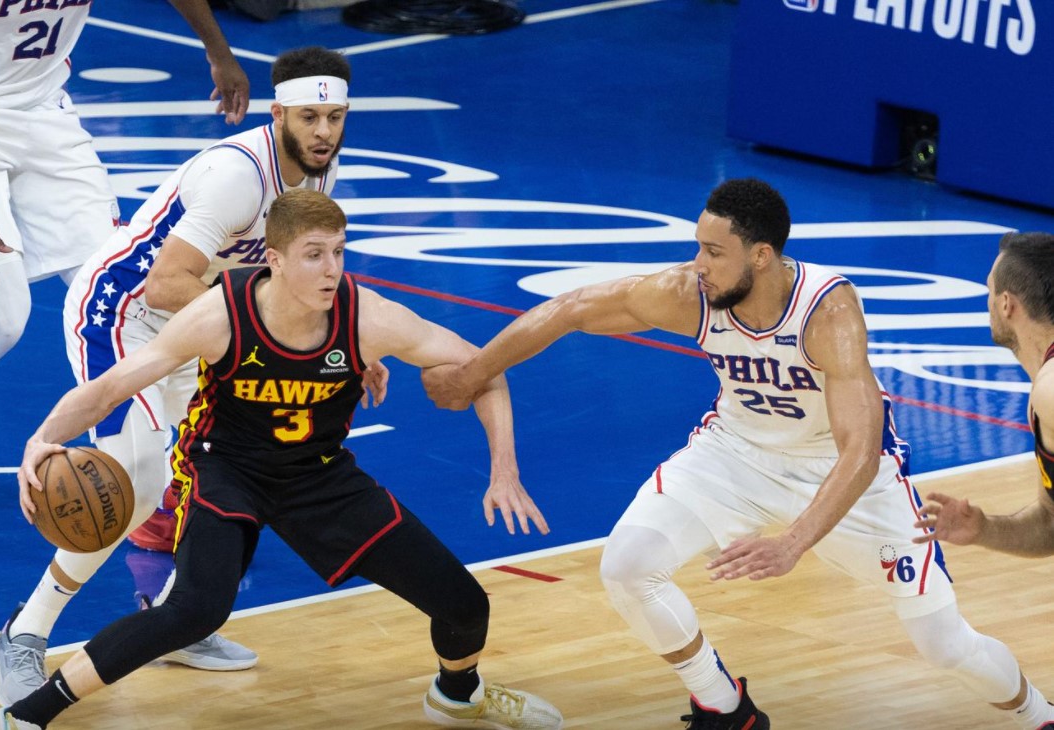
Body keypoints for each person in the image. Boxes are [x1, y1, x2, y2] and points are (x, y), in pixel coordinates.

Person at [421, 178, 1054, 729]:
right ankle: (726, 710)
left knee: (942, 642)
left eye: (713, 252)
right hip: (735, 453)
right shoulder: (689, 293)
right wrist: (476, 371)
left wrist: (793, 543)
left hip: (840, 474)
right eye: (698, 246)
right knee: (627, 566)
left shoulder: (827, 310)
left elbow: (860, 451)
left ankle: (1039, 717)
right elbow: (571, 309)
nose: (698, 263)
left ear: (762, 255)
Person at [0, 189, 563, 730]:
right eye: (313, 255)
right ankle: (25, 716)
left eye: (338, 251)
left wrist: (503, 471)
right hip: (225, 468)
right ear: (274, 260)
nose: (332, 269)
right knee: (194, 610)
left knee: (465, 604)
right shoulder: (220, 315)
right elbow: (111, 386)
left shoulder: (369, 318)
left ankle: (457, 694)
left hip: (318, 474)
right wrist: (40, 439)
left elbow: (485, 372)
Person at [0, 46, 386, 706]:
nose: (323, 132)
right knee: (136, 484)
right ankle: (22, 636)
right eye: (310, 116)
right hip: (125, 312)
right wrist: (267, 327)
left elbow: (295, 270)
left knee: (241, 463)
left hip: (209, 318)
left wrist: (346, 340)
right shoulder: (238, 174)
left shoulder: (318, 171)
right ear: (279, 111)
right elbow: (165, 283)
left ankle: (178, 619)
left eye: (335, 117)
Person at [0, 0, 251, 560]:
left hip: (41, 114)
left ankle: (158, 481)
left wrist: (218, 49)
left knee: (130, 299)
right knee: (1, 321)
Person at [913, 235, 1054, 566]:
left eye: (989, 290)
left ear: (1006, 304)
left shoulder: (1049, 389)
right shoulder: (1041, 396)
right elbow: (1051, 523)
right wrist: (984, 529)